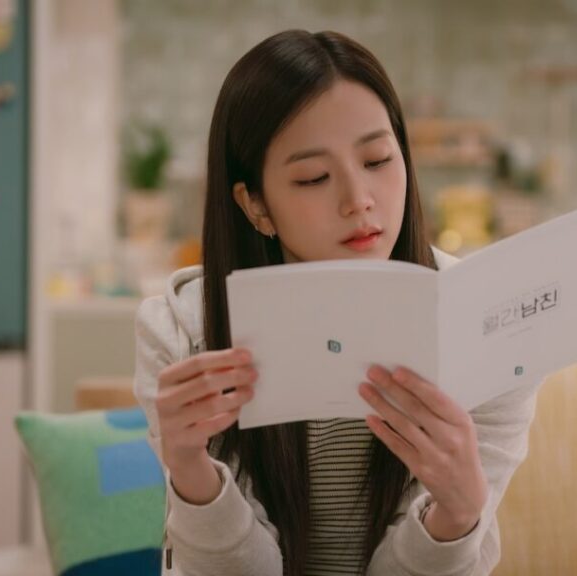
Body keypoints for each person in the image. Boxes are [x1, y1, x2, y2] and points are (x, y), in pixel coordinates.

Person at [133, 29, 537, 576]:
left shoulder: (483, 320)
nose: (359, 200)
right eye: (314, 177)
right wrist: (189, 468)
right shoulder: (183, 331)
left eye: (377, 160)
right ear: (255, 205)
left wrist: (458, 514)